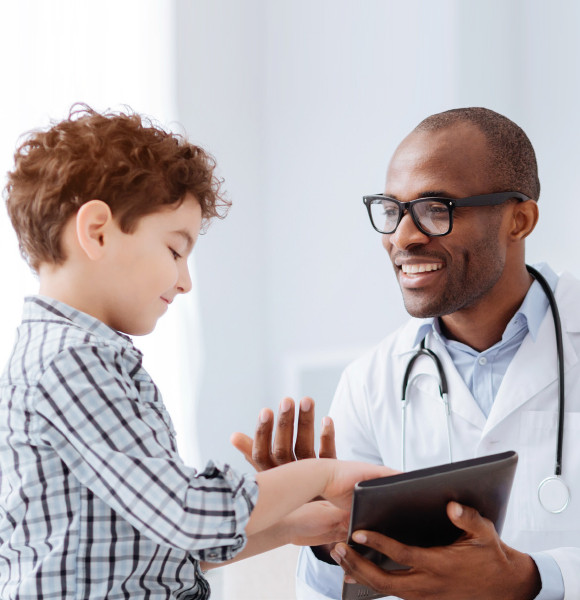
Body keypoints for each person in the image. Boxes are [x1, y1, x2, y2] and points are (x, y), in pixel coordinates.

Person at [0, 105, 395, 599]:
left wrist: (290, 527)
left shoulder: (81, 358)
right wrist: (324, 472)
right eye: (174, 250)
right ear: (97, 231)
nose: (185, 281)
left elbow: (156, 548)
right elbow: (187, 513)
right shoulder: (72, 362)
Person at [232, 107, 580, 599]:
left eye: (437, 209)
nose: (403, 236)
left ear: (519, 220)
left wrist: (529, 580)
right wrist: (323, 531)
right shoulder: (370, 381)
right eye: (393, 210)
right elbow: (330, 593)